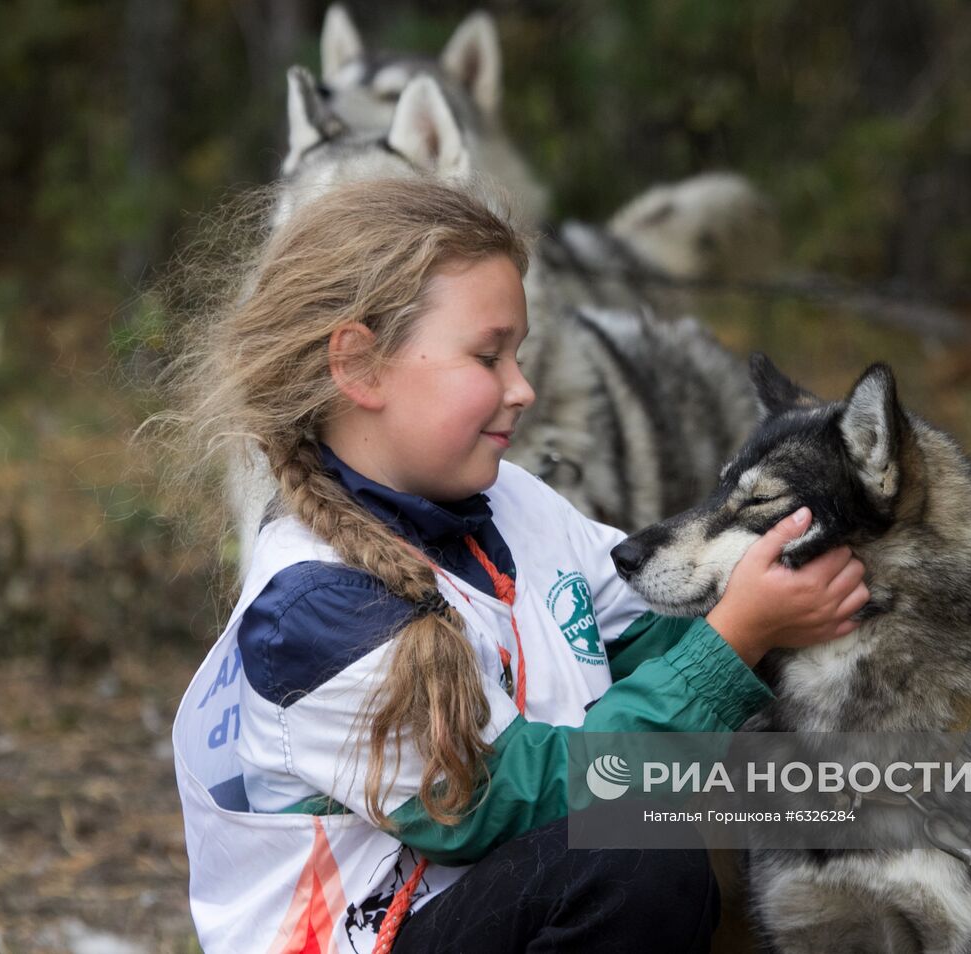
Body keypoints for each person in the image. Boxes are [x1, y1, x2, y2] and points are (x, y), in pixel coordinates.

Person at [167, 177, 870, 954]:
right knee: (633, 853)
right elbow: (511, 801)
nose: (523, 388)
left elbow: (647, 633)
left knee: (894, 781)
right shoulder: (313, 610)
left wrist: (853, 591)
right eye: (488, 356)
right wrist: (733, 643)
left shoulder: (510, 504)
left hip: (493, 905)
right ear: (359, 367)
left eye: (520, 354)